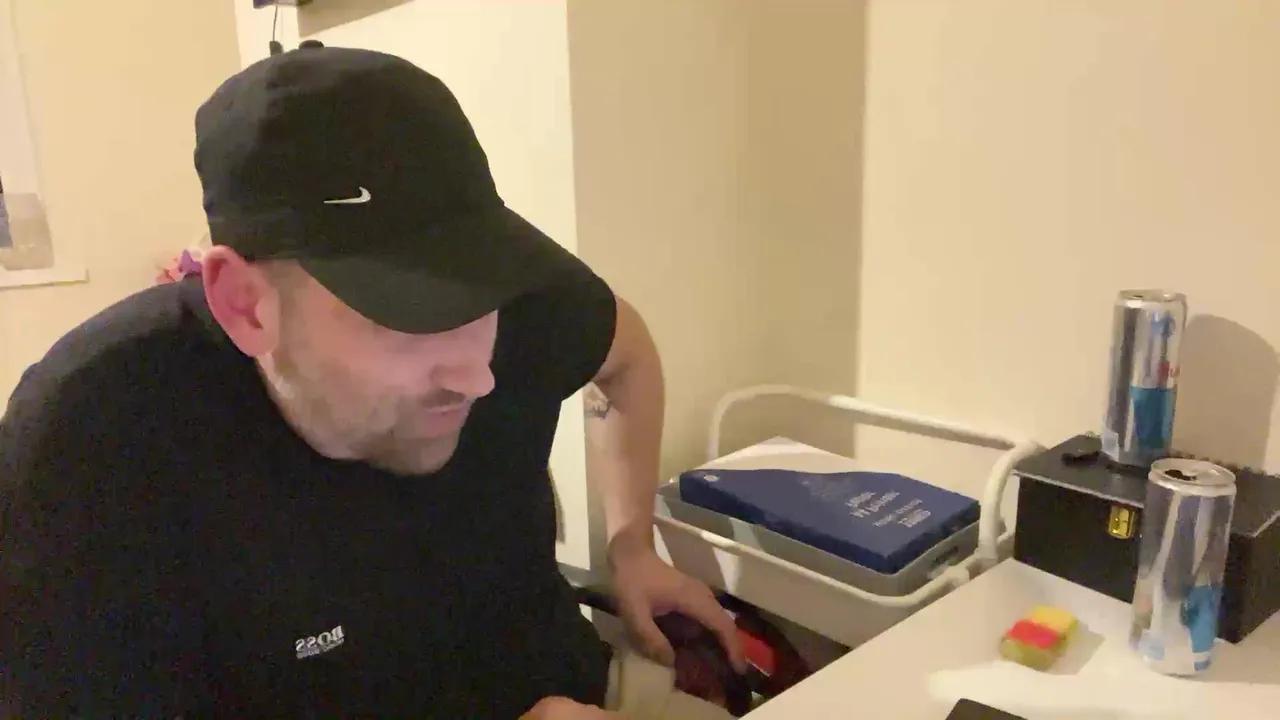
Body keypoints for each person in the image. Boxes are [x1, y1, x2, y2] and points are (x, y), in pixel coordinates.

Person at [0, 45, 743, 718]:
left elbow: (627, 356)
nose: (478, 375)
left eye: (480, 293)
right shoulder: (93, 440)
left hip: (581, 690)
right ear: (245, 304)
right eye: (412, 312)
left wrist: (631, 546)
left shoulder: (526, 311)